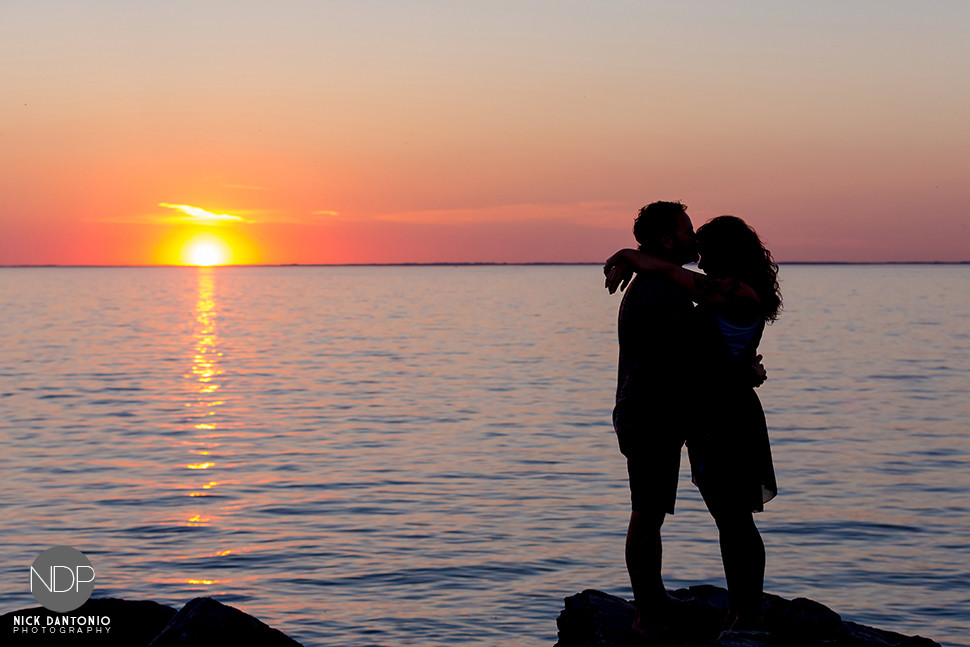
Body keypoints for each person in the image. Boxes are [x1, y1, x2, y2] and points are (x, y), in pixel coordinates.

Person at [605, 212, 782, 635]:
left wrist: (632, 255)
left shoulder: (731, 291)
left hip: (724, 417)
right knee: (715, 517)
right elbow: (692, 351)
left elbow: (696, 351)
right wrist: (742, 369)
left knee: (733, 519)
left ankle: (745, 613)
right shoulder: (674, 288)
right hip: (681, 415)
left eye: (703, 243)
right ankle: (666, 610)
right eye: (690, 235)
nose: (698, 251)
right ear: (667, 240)